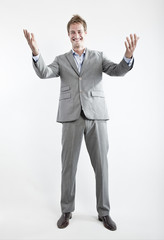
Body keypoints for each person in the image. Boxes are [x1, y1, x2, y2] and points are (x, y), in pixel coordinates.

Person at [23, 14, 139, 231]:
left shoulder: (98, 56)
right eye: (72, 32)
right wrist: (36, 52)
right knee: (68, 166)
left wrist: (128, 57)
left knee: (102, 166)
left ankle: (104, 212)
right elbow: (44, 73)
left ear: (85, 33)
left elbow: (117, 71)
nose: (76, 35)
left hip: (96, 116)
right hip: (70, 117)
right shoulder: (60, 60)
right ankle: (66, 210)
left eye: (79, 31)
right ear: (69, 36)